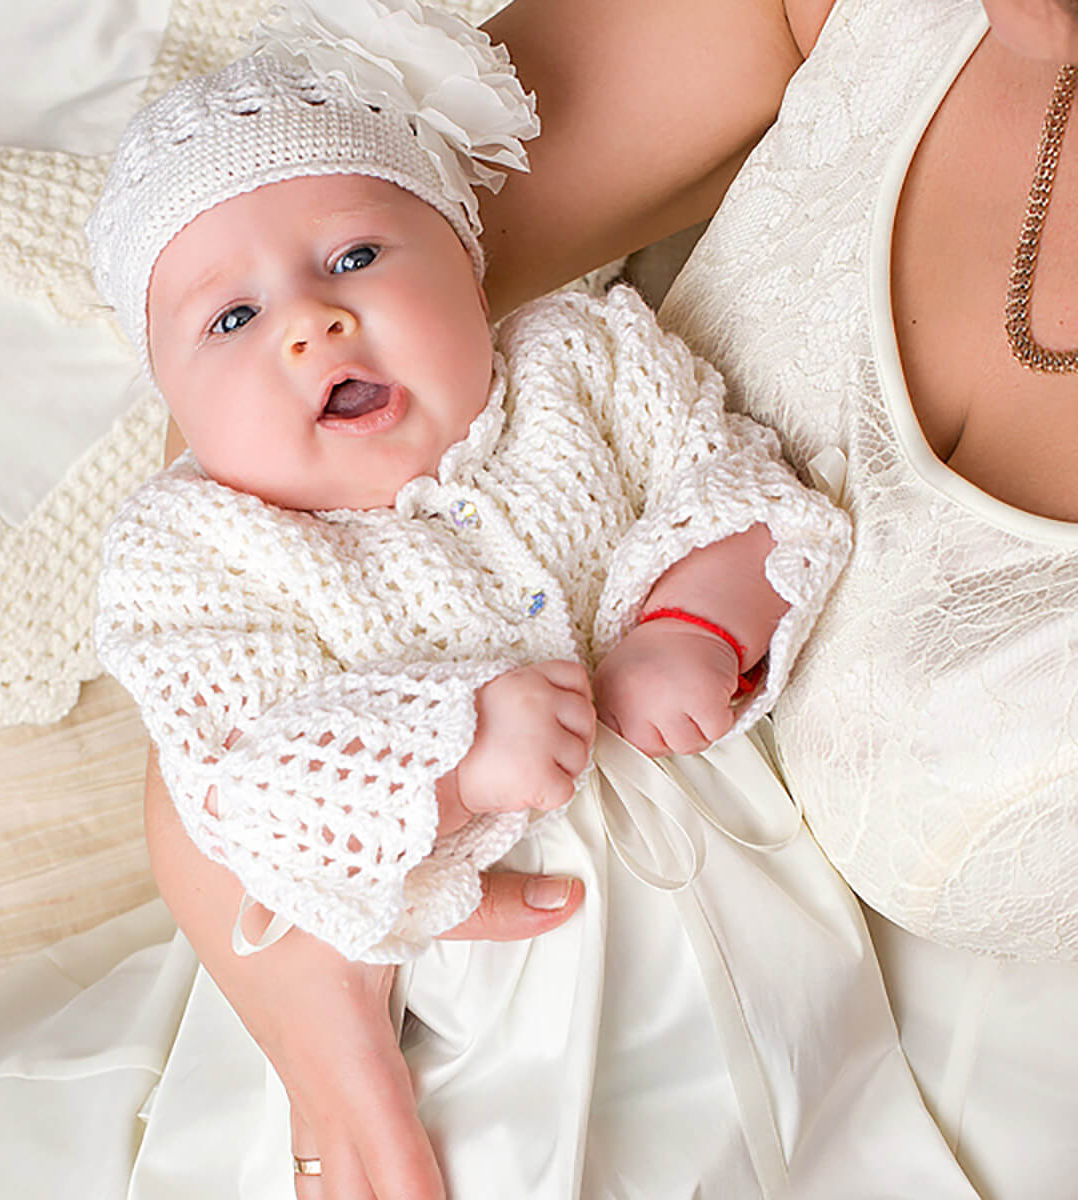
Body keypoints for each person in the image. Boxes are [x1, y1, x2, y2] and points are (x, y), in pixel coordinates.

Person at [132, 1, 1078, 1198]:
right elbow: (223, 478)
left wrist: (696, 616)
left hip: (814, 1010)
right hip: (453, 994)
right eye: (247, 313)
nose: (312, 318)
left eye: (353, 267)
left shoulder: (585, 364)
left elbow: (729, 484)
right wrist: (416, 787)